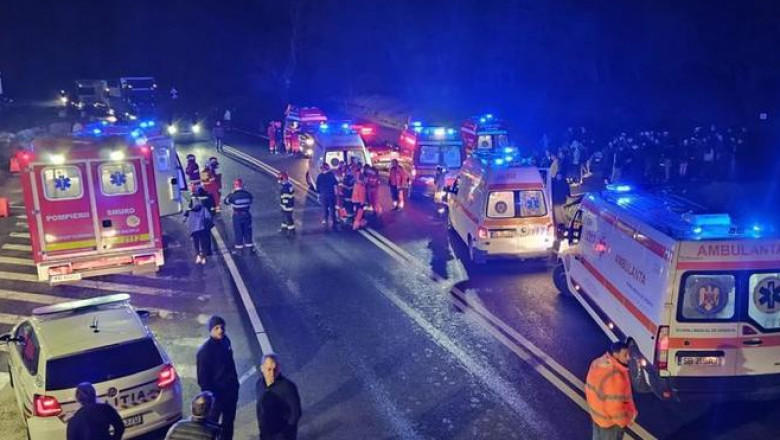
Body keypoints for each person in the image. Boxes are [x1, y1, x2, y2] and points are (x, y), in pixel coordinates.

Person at [197, 316, 240, 440]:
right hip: (216, 396)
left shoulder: (226, 341)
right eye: (216, 328)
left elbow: (231, 365)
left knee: (228, 424)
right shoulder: (205, 351)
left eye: (222, 327)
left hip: (230, 392)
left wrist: (235, 385)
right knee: (211, 426)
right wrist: (211, 397)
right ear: (210, 330)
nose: (220, 330)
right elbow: (203, 379)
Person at [585, 341, 638, 440]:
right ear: (616, 354)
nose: (628, 358)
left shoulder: (599, 362)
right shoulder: (616, 377)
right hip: (611, 424)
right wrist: (626, 420)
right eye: (625, 355)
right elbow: (615, 410)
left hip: (598, 416)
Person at [256, 354, 302, 440]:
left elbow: (296, 412)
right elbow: (260, 409)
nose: (272, 373)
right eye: (269, 369)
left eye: (275, 369)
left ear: (279, 368)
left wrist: (285, 433)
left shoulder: (288, 387)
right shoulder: (259, 385)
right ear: (262, 368)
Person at [224, 178, 255, 253]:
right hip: (246, 215)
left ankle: (239, 250)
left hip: (237, 216)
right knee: (247, 231)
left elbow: (226, 201)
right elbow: (251, 201)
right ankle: (250, 249)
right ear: (242, 185)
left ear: (235, 185)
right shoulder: (247, 194)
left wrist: (231, 193)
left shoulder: (233, 195)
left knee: (238, 231)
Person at [185, 196, 212, 265]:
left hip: (194, 230)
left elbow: (185, 219)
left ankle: (198, 256)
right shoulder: (203, 209)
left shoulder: (190, 211)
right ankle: (203, 257)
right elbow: (208, 217)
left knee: (196, 243)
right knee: (203, 243)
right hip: (202, 228)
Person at [315, 164, 339, 230]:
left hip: (323, 194)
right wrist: (336, 194)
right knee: (332, 207)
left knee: (324, 207)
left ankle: (325, 219)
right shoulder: (331, 175)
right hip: (331, 194)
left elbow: (317, 185)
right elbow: (335, 184)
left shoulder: (320, 176)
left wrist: (318, 194)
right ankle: (333, 220)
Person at [279, 171, 295, 236]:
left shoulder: (285, 187)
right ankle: (284, 229)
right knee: (285, 218)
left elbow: (285, 197)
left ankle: (291, 231)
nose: (280, 180)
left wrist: (283, 206)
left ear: (284, 178)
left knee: (288, 218)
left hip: (286, 206)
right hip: (289, 205)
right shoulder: (289, 185)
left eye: (281, 179)